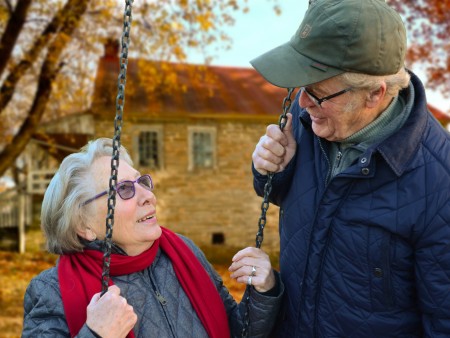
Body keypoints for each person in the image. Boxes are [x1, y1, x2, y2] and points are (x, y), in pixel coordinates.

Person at [250, 0, 450, 337]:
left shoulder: (439, 183)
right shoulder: (308, 122)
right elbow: (297, 202)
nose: (302, 102)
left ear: (374, 94)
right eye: (302, 87)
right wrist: (270, 171)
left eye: (317, 93)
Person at [22, 138, 283, 338]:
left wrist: (263, 291)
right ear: (84, 225)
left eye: (141, 182)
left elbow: (236, 331)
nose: (147, 195)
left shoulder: (183, 253)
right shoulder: (51, 290)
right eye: (123, 189)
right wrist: (96, 334)